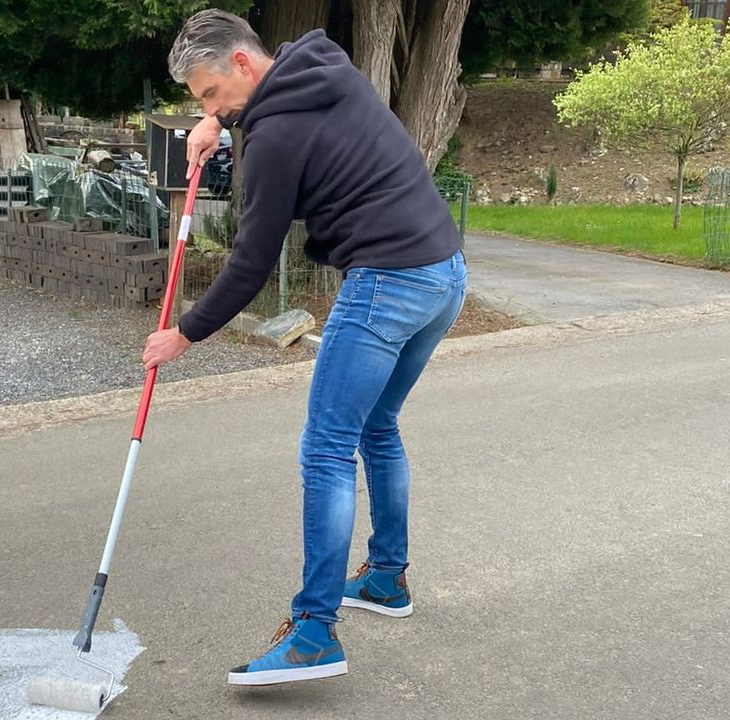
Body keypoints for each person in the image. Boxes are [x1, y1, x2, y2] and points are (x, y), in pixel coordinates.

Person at [142, 9, 467, 687]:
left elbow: (251, 260)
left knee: (325, 448)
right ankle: (385, 579)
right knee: (376, 425)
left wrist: (186, 332)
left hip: (385, 284)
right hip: (443, 274)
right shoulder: (321, 67)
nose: (210, 107)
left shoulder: (274, 136)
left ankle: (314, 632)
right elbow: (259, 104)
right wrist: (216, 123)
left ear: (240, 64)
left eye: (208, 94)